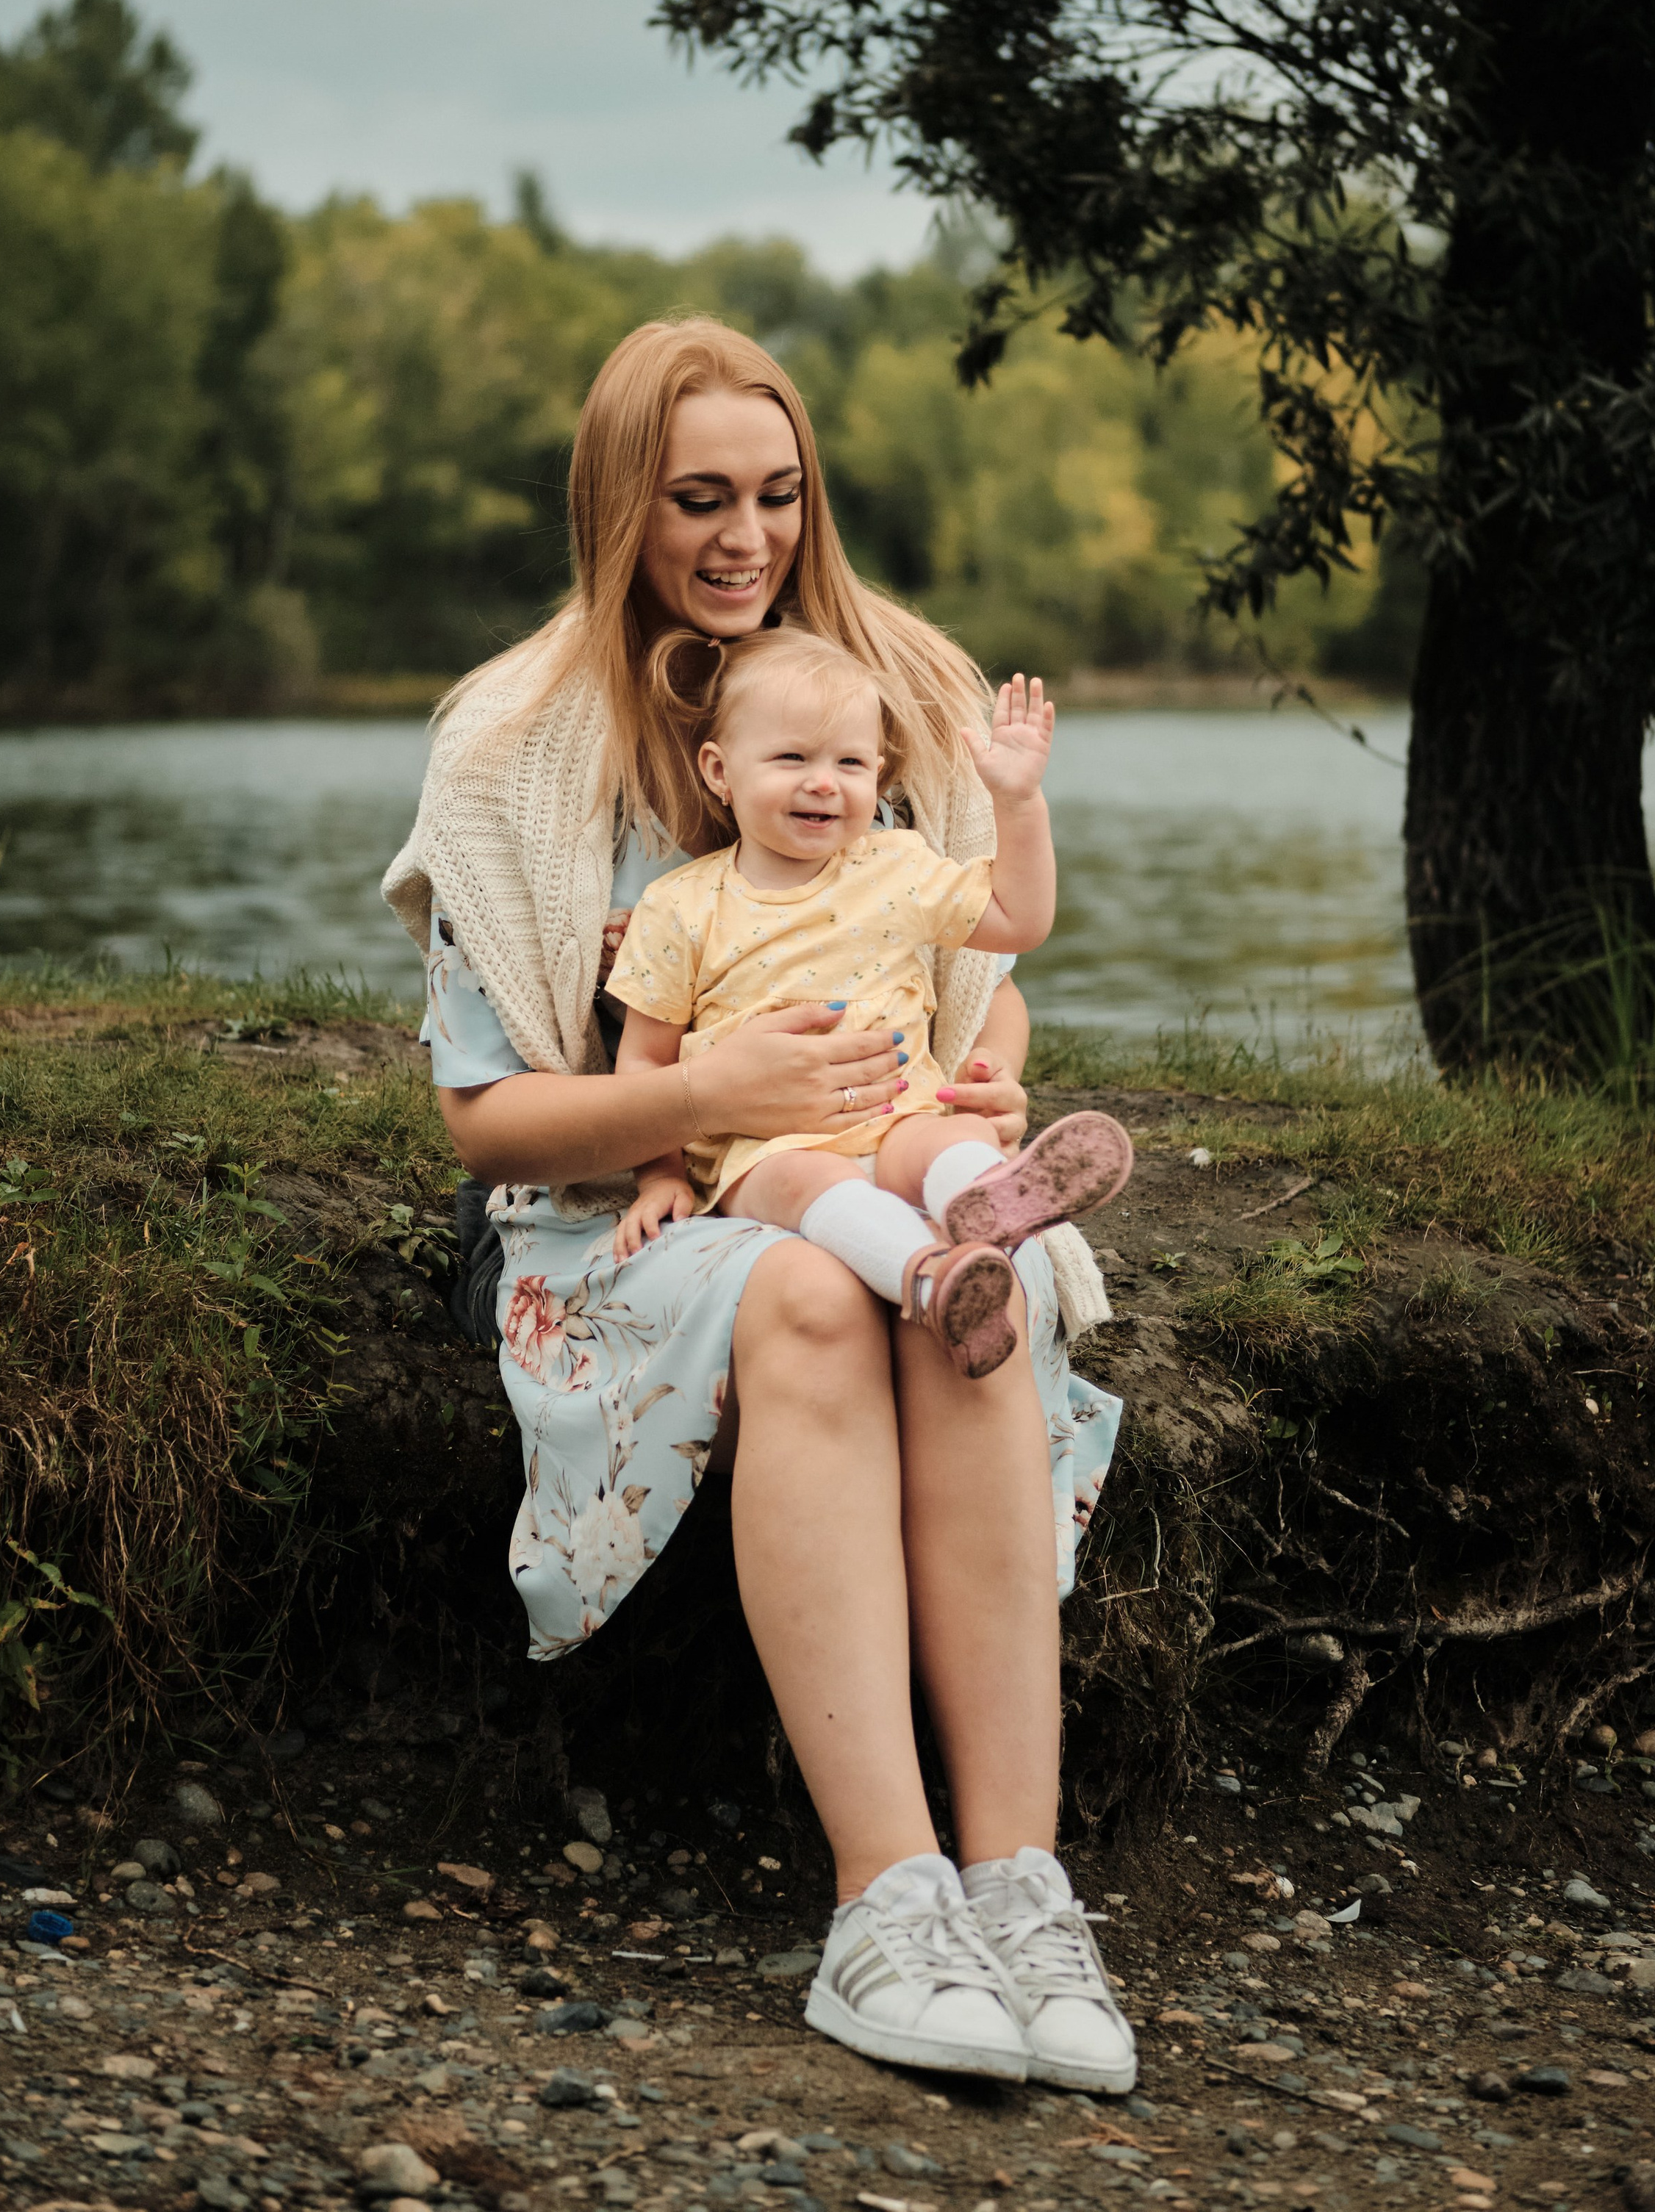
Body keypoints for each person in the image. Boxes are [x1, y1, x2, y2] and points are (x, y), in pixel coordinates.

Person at [383, 315, 1135, 2094]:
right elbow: (485, 1124)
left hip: (880, 1157)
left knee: (978, 1287)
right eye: (695, 497)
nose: (744, 538)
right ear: (613, 501)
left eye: (778, 495)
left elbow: (969, 959)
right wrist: (700, 1096)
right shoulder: (509, 745)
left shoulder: (890, 679)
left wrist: (987, 1072)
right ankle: (881, 1895)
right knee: (808, 1292)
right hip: (612, 1206)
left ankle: (1017, 1881)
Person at [606, 624, 1134, 1382]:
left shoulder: (895, 866)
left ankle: (993, 1205)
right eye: (792, 758)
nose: (824, 782)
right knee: (810, 1184)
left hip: (899, 1113)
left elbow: (1020, 921)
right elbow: (645, 1063)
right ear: (720, 770)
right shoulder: (682, 906)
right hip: (764, 1146)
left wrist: (1018, 803)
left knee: (949, 1145)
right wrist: (658, 1177)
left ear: (877, 776)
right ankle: (932, 1280)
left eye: (849, 763)